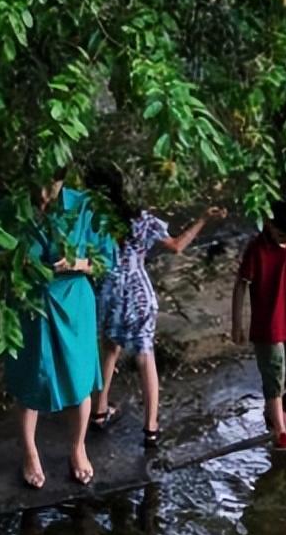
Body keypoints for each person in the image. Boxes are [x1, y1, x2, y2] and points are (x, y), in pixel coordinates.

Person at [89, 166, 226, 448]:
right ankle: (151, 427)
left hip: (108, 293)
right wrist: (202, 219)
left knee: (110, 348)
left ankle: (99, 411)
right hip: (138, 294)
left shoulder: (90, 222)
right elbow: (176, 246)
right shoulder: (140, 219)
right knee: (144, 354)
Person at [4, 170, 116, 488]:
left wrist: (78, 263)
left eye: (49, 187)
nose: (41, 194)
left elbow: (109, 260)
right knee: (30, 377)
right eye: (35, 185)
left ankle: (78, 448)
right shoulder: (12, 209)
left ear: (62, 179)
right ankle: (30, 452)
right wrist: (13, 261)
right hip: (28, 305)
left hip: (74, 305)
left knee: (78, 381)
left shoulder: (85, 207)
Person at [231, 200, 286, 450]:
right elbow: (241, 283)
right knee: (274, 374)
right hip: (268, 324)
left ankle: (272, 410)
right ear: (268, 224)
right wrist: (237, 322)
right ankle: (279, 429)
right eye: (282, 234)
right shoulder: (257, 249)